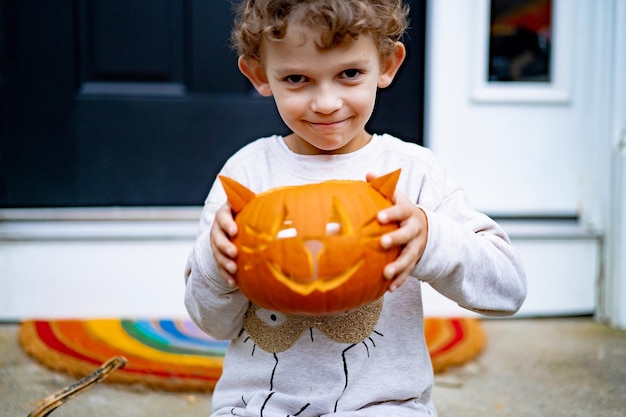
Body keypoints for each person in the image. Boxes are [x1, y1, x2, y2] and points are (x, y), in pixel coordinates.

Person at [184, 0, 527, 415]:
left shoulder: (409, 172)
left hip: (382, 405)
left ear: (387, 64)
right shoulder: (245, 178)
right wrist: (216, 263)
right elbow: (211, 323)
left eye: (349, 74)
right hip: (262, 405)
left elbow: (507, 289)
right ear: (259, 74)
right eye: (297, 78)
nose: (326, 102)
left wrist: (430, 238)